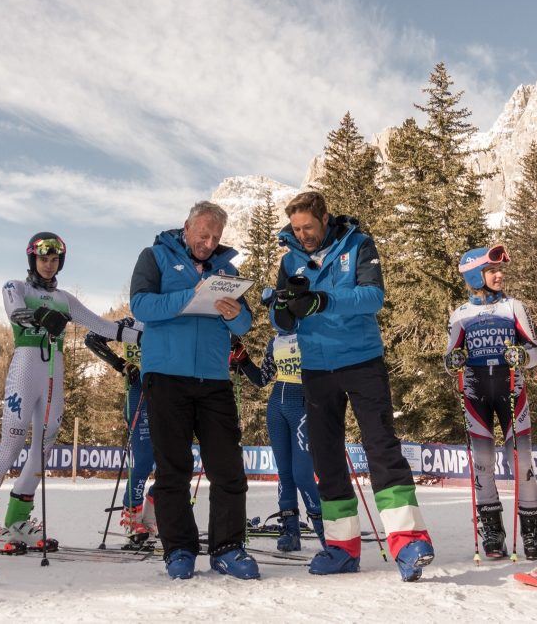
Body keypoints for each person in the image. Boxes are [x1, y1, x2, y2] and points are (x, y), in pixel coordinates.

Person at [271, 191, 434, 581]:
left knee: (381, 446)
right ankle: (341, 548)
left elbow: (372, 296)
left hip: (361, 360)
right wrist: (283, 310)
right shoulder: (289, 259)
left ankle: (408, 541)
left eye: (308, 226)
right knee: (325, 458)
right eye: (296, 228)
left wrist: (320, 301)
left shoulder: (358, 244)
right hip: (315, 367)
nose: (303, 234)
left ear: (324, 218)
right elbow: (283, 324)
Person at [0, 232, 143, 553]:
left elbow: (105, 327)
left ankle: (18, 521)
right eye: (43, 259)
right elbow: (14, 310)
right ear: (32, 260)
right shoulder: (17, 287)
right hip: (25, 369)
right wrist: (39, 317)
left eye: (54, 260)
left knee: (44, 446)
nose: (48, 265)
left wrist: (148, 333)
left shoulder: (64, 299)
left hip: (52, 373)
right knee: (12, 443)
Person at [130, 201, 258, 580]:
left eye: (216, 237)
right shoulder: (154, 257)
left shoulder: (227, 269)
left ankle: (228, 548)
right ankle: (179, 550)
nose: (209, 242)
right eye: (203, 234)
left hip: (214, 379)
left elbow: (245, 325)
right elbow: (141, 305)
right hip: (166, 376)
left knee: (229, 469)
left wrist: (237, 314)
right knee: (174, 470)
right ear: (186, 227)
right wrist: (191, 295)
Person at [445, 244, 537, 560]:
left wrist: (523, 356)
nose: (500, 275)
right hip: (476, 392)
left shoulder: (514, 306)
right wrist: (455, 358)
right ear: (476, 275)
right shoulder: (460, 314)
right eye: (492, 271)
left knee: (523, 463)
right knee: (482, 464)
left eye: (500, 270)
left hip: (511, 390)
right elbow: (450, 359)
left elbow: (536, 352)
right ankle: (492, 532)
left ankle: (531, 531)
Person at [232, 330, 324, 552]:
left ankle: (325, 531)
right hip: (276, 407)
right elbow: (262, 379)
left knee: (302, 473)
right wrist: (241, 356)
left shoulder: (310, 333)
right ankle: (291, 531)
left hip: (302, 405)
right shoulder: (275, 341)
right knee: (284, 472)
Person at [84, 321, 157, 545]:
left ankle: (151, 517)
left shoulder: (169, 321)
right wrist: (121, 364)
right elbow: (92, 338)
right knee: (144, 461)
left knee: (172, 464)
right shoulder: (130, 324)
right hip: (140, 394)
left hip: (169, 393)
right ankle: (132, 518)